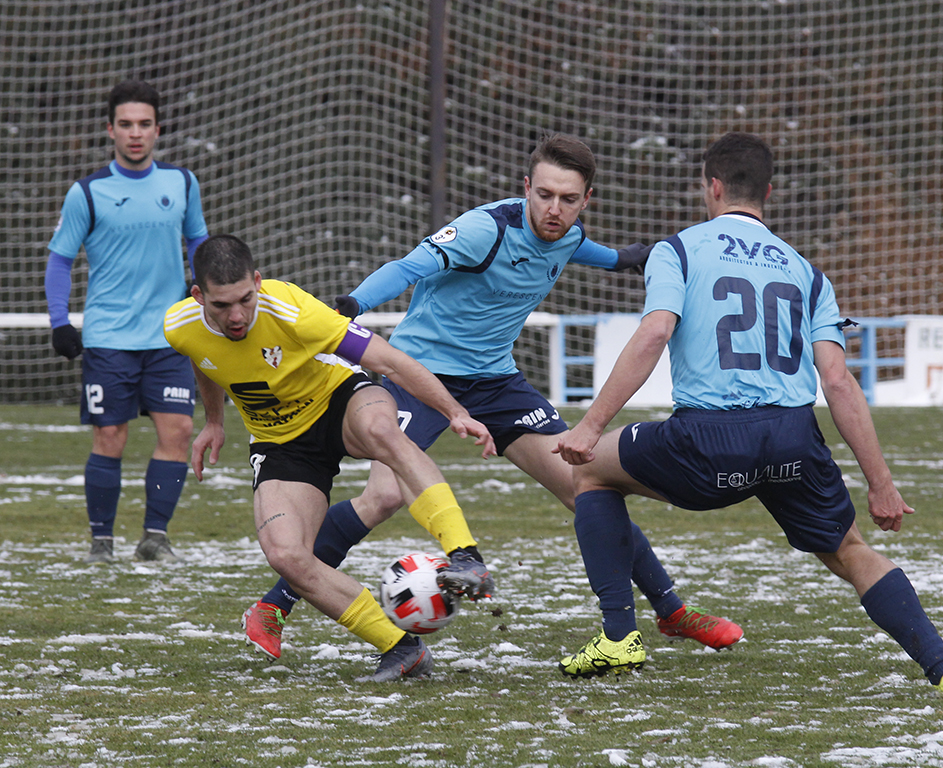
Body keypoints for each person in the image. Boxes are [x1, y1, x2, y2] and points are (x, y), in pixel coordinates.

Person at [241, 133, 743, 661]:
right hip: (422, 377)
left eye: (568, 199)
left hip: (497, 383)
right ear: (526, 187)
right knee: (384, 497)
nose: (554, 209)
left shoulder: (569, 236)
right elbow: (409, 267)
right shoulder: (485, 230)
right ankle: (274, 604)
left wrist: (638, 257)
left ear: (586, 200)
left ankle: (671, 611)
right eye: (544, 195)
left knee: (586, 486)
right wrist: (353, 304)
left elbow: (604, 255)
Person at [553, 132, 943, 699]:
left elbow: (655, 333)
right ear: (769, 192)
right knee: (851, 550)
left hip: (709, 442)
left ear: (711, 186)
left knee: (590, 472)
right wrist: (881, 484)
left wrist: (590, 425)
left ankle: (618, 637)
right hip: (792, 441)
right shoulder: (808, 273)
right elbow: (838, 381)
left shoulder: (677, 250)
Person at [164, 234, 497, 682]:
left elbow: (391, 361)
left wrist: (454, 412)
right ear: (198, 296)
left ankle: (465, 555)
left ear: (258, 282)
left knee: (384, 432)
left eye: (245, 299)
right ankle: (401, 648)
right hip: (280, 441)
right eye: (222, 306)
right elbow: (205, 357)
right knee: (285, 554)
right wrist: (214, 421)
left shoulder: (293, 311)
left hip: (339, 401)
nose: (237, 315)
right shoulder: (179, 326)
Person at [45, 80, 209, 564]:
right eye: (125, 124)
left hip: (170, 335)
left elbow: (199, 245)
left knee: (178, 430)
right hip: (109, 336)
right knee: (110, 436)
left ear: (158, 130)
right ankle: (101, 542)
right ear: (110, 129)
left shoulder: (182, 183)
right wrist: (60, 321)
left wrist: (209, 299)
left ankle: (155, 538)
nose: (135, 133)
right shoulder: (87, 192)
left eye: (144, 124)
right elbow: (60, 260)